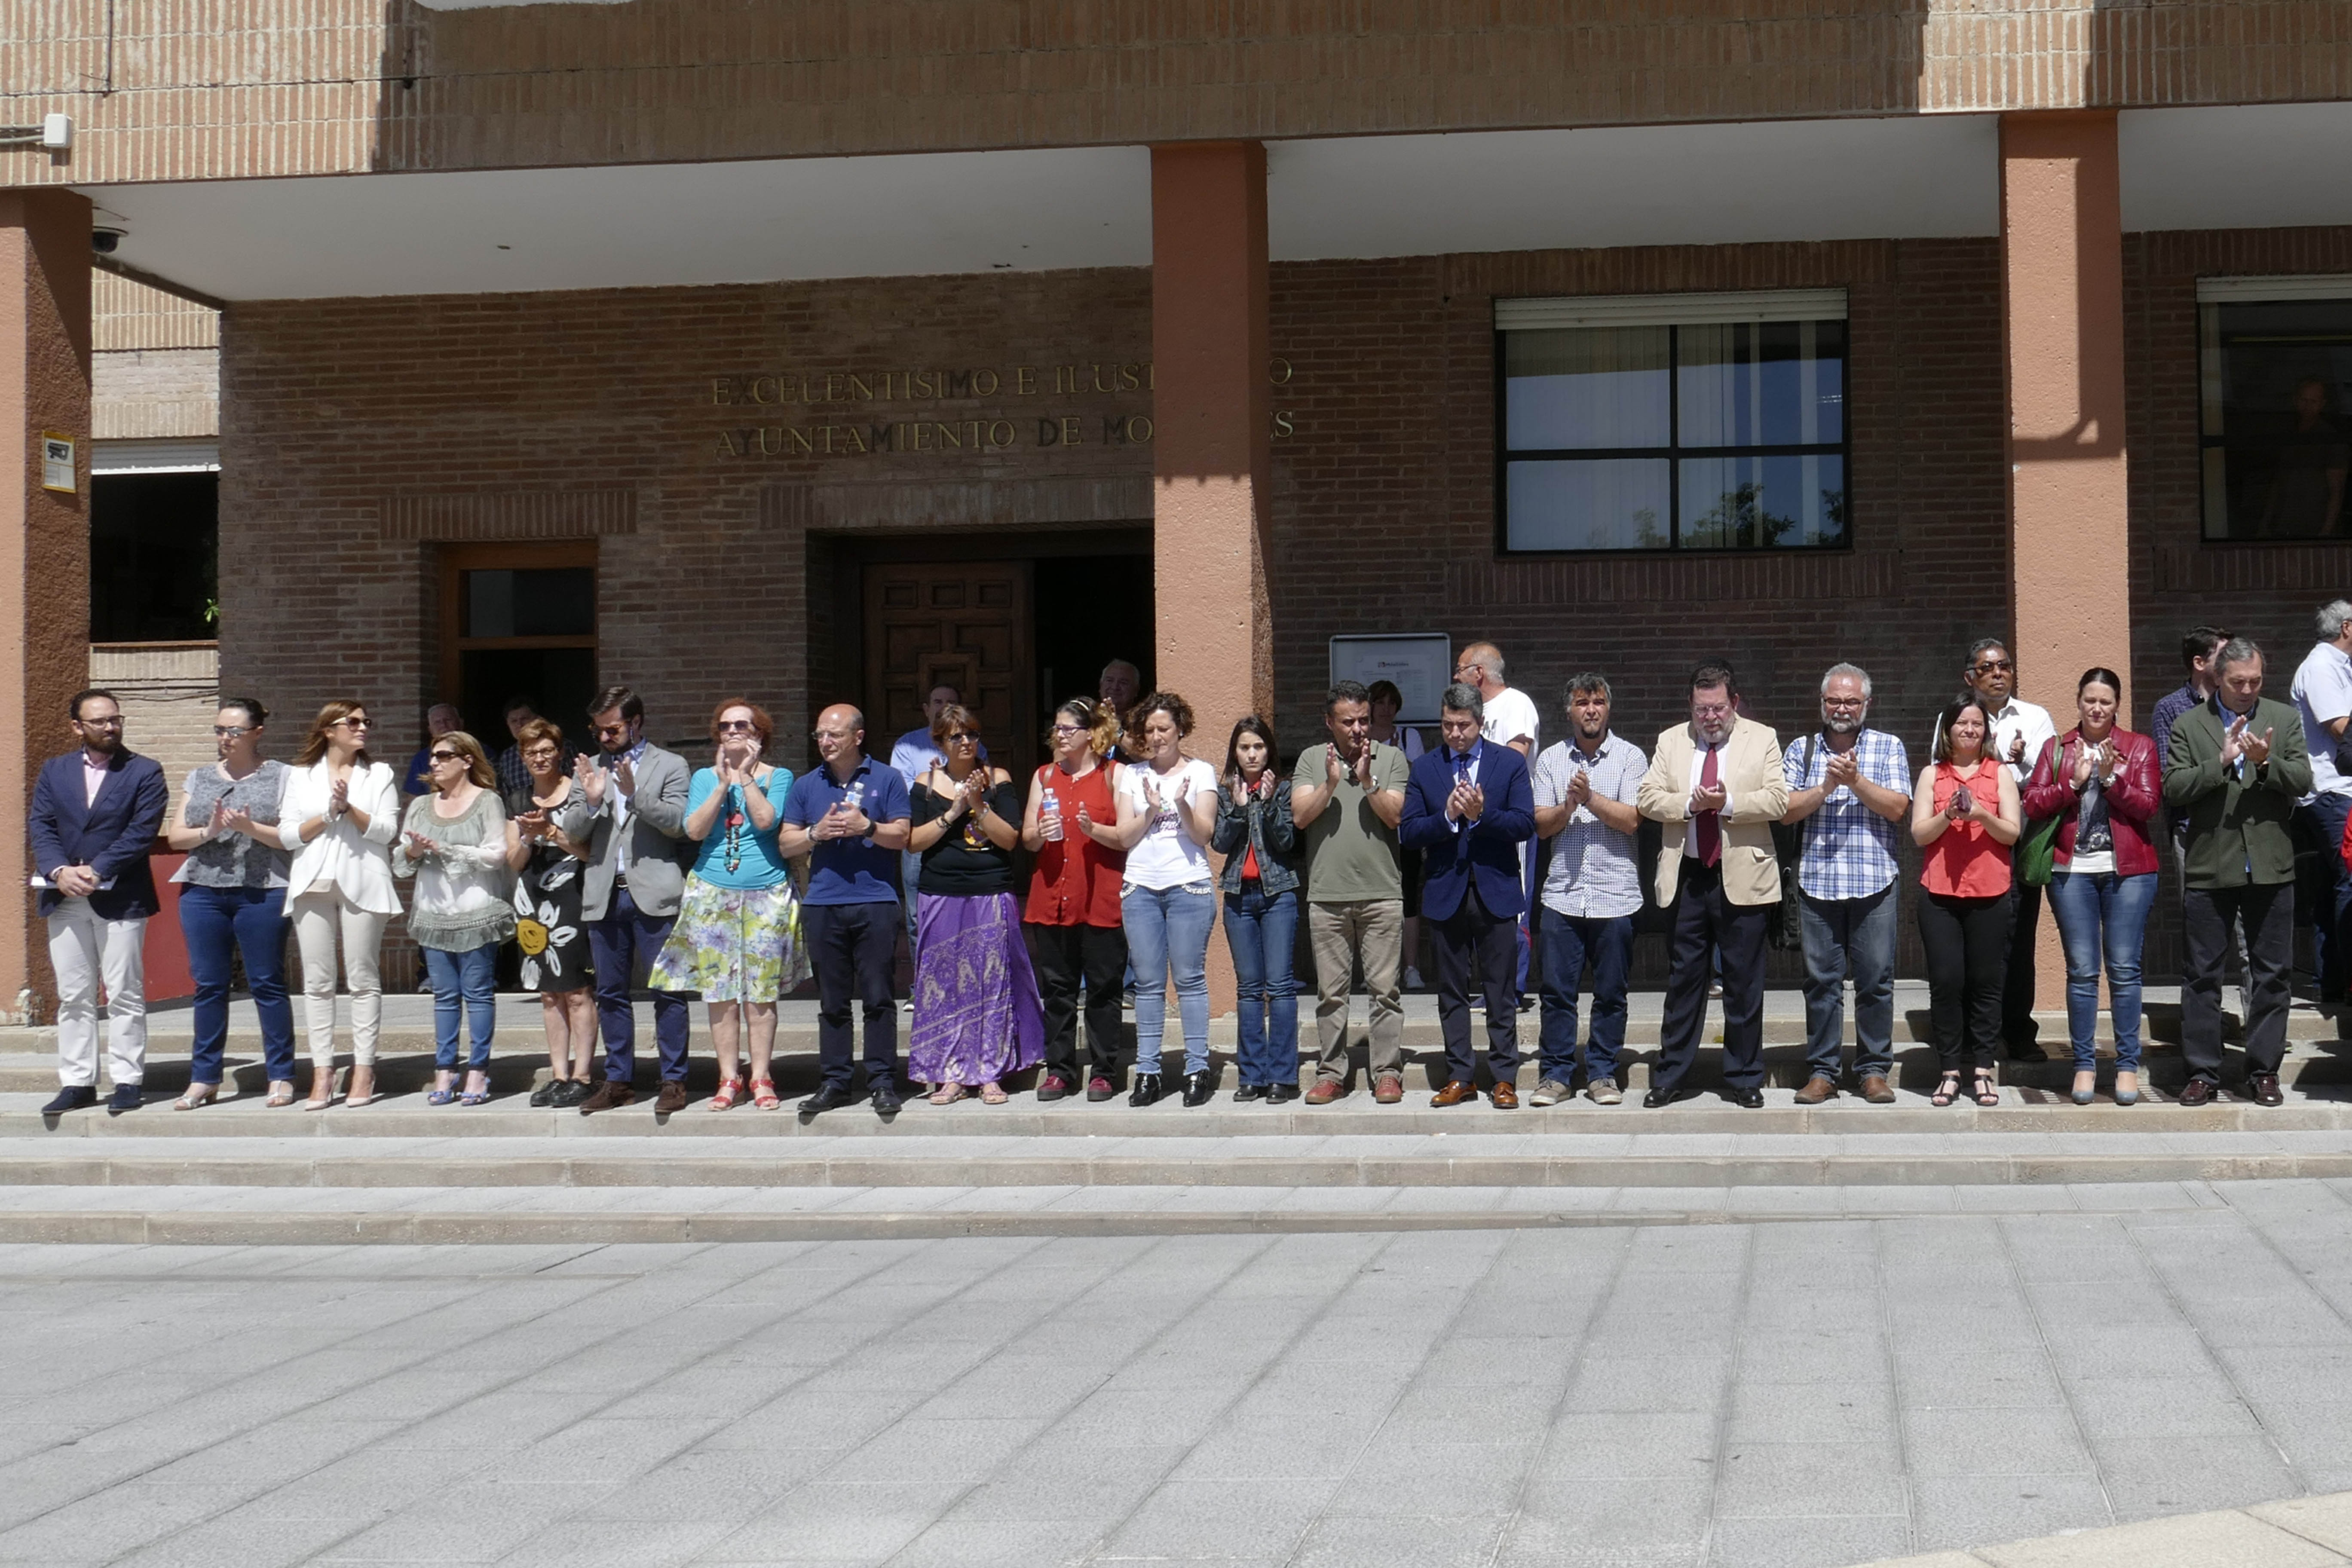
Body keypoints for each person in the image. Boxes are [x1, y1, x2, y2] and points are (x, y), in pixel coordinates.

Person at [1638, 661, 1788, 1109]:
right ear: (1691, 705)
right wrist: (1689, 803)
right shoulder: (1670, 741)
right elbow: (1647, 798)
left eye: (1718, 708)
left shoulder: (1762, 738)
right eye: (1702, 709)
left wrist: (1729, 803)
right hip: (1688, 876)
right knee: (1684, 981)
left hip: (1742, 876)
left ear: (1734, 703)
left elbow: (1778, 799)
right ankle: (1671, 1076)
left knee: (1743, 984)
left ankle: (1745, 1077)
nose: (1710, 717)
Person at [2169, 637, 2310, 1107]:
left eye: (2255, 681)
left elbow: (2303, 780)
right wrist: (2222, 760)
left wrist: (2265, 762)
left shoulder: (2284, 718)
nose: (2248, 690)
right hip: (2211, 865)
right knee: (2202, 976)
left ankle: (2264, 1070)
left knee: (2272, 974)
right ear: (2218, 679)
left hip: (2270, 865)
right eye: (2238, 683)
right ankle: (2202, 1073)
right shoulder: (2190, 724)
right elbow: (2175, 788)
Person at [650, 699, 806, 1112]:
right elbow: (694, 830)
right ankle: (728, 1078)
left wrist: (747, 778)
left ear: (759, 734)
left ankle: (761, 1077)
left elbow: (767, 822)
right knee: (720, 993)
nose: (733, 731)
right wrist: (722, 785)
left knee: (761, 993)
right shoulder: (705, 777)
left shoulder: (779, 776)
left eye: (742, 725)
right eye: (725, 726)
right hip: (712, 893)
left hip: (767, 892)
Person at [2024, 669, 2160, 1106]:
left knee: (2124, 969)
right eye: (2090, 701)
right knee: (2082, 970)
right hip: (2072, 872)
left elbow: (2148, 806)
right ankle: (2084, 1064)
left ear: (2117, 704)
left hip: (2130, 872)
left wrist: (2111, 778)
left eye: (2106, 702)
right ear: (2079, 701)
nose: (2097, 709)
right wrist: (2074, 782)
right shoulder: (2058, 748)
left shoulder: (2139, 747)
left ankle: (2126, 1065)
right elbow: (2033, 803)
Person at [31, 689, 168, 1116]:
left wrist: (97, 870)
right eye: (100, 721)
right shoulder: (55, 770)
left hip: (121, 897)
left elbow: (142, 831)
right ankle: (77, 1082)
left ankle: (127, 1080)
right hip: (65, 896)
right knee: (73, 994)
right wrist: (59, 871)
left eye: (115, 719)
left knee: (124, 991)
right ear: (78, 727)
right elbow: (41, 824)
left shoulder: (144, 771)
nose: (110, 727)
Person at [1779, 665, 1912, 1106]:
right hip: (1818, 884)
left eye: (1851, 701)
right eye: (1834, 701)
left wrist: (1855, 781)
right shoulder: (1801, 750)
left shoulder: (1888, 746)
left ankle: (1874, 1071)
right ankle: (1823, 1072)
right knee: (1822, 984)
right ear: (1822, 703)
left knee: (1876, 982)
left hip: (1875, 882)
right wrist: (1825, 787)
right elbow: (1785, 811)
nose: (1842, 709)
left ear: (1866, 705)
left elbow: (1897, 808)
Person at [1403, 683, 1535, 1106]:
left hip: (1496, 889)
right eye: (1448, 725)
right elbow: (1409, 832)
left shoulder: (1508, 764)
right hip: (1447, 891)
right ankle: (1460, 1075)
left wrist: (1481, 816)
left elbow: (1524, 824)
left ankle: (1504, 1077)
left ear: (1481, 723)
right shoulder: (1426, 768)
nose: (1455, 734)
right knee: (1452, 990)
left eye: (1463, 726)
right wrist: (1447, 816)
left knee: (1500, 990)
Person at [781, 703, 914, 1119]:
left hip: (875, 900)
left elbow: (903, 835)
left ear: (858, 737)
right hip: (823, 903)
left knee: (878, 997)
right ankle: (835, 1082)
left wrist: (868, 827)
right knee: (833, 1002)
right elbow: (786, 843)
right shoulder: (806, 785)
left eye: (834, 735)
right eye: (820, 735)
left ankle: (882, 1082)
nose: (825, 742)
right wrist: (815, 833)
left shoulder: (887, 778)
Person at [163, 698, 296, 1110]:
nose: (225, 738)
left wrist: (249, 827)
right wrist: (210, 829)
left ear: (258, 733)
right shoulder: (200, 776)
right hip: (203, 891)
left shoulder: (283, 776)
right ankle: (204, 1078)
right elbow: (176, 837)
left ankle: (281, 1075)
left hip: (263, 889)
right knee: (209, 985)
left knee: (267, 983)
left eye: (234, 731)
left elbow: (290, 838)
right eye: (220, 730)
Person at [905, 704, 1041, 1103]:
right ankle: (949, 1074)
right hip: (941, 892)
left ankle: (990, 1072)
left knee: (991, 983)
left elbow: (1010, 839)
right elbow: (913, 842)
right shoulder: (926, 783)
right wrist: (954, 812)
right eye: (957, 736)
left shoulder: (998, 779)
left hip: (990, 890)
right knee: (945, 984)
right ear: (940, 742)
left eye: (972, 735)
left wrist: (979, 804)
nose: (966, 742)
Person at [573, 687, 697, 1116]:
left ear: (636, 722)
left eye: (612, 729)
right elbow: (572, 829)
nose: (604, 738)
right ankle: (618, 1081)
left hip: (655, 892)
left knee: (668, 990)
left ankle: (674, 1080)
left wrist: (636, 795)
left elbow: (678, 823)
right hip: (605, 893)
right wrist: (592, 800)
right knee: (610, 992)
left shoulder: (671, 765)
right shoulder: (591, 768)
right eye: (598, 731)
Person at [1931, 640, 2055, 1060]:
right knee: (1971, 937)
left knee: (2018, 937)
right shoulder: (1954, 718)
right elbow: (1943, 771)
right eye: (1987, 668)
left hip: (2018, 835)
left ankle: (2018, 1031)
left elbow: (2047, 776)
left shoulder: (2035, 718)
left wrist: (2013, 764)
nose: (1998, 673)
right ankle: (1970, 1033)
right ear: (1970, 677)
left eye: (2005, 666)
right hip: (1966, 839)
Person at [1528, 674, 1646, 1106]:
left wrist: (1590, 798)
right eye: (1582, 703)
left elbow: (1632, 820)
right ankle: (1555, 1075)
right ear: (1569, 711)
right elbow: (1541, 826)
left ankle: (1602, 1074)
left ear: (1608, 709)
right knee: (1557, 994)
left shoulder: (1631, 757)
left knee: (1611, 994)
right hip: (1564, 895)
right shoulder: (1551, 760)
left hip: (1616, 896)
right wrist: (1568, 806)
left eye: (1598, 702)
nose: (1591, 710)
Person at [279, 700, 401, 1109]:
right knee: (317, 982)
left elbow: (386, 832)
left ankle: (364, 1068)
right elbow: (289, 836)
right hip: (312, 882)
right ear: (329, 730)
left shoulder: (379, 773)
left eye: (367, 721)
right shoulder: (300, 776)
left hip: (364, 880)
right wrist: (329, 814)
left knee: (363, 978)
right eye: (353, 722)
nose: (363, 727)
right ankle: (323, 1070)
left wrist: (350, 809)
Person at [1292, 682, 1411, 1104]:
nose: (1359, 729)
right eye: (1348, 722)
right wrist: (1329, 784)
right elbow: (1300, 817)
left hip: (1381, 894)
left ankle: (1387, 1073)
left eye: (1363, 720)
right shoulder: (1311, 760)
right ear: (1330, 722)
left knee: (1385, 992)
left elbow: (1395, 816)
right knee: (1331, 995)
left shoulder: (1391, 758)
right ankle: (1331, 1074)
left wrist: (1367, 781)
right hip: (1328, 895)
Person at [1104, 692, 1219, 1106]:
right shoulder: (1131, 775)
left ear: (1180, 729)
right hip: (1141, 887)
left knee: (1189, 979)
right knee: (1149, 984)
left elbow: (1203, 835)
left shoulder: (1201, 772)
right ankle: (1148, 1072)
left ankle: (1197, 1068)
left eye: (1164, 728)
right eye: (1150, 730)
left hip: (1188, 886)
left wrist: (1182, 804)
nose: (1157, 737)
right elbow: (1124, 837)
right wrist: (1151, 811)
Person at [392, 730, 515, 1106]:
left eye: (444, 756)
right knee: (444, 997)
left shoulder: (487, 801)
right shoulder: (420, 805)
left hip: (476, 912)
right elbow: (401, 860)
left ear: (467, 760)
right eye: (433, 756)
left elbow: (496, 854)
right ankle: (444, 1070)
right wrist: (415, 851)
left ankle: (478, 1070)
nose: (434, 763)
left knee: (478, 994)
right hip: (434, 914)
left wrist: (446, 849)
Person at [1911, 694, 2023, 1109]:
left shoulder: (2000, 773)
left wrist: (1980, 815)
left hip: (1990, 892)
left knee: (1986, 985)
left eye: (1977, 724)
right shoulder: (1932, 774)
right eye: (1962, 723)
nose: (1970, 730)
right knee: (1946, 983)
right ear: (1948, 730)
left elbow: (2011, 833)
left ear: (1986, 731)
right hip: (1940, 894)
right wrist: (1949, 816)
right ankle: (1949, 1072)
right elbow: (1919, 834)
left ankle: (1983, 1070)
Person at [1021, 698, 1128, 1102]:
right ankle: (1059, 1071)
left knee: (1103, 988)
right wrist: (1039, 831)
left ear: (1091, 733)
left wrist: (1093, 828)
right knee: (1058, 990)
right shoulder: (1045, 775)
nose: (1061, 735)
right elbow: (1028, 839)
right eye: (1058, 728)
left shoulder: (1114, 774)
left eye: (1069, 729)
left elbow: (1126, 836)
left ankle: (1103, 1071)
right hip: (1052, 897)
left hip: (1100, 896)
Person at [503, 717, 599, 1108]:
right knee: (547, 993)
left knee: (576, 991)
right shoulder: (517, 799)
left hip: (572, 896)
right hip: (532, 903)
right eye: (532, 753)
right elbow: (514, 862)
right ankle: (559, 1075)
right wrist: (528, 837)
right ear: (522, 757)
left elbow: (590, 853)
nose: (540, 759)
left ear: (559, 753)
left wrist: (552, 833)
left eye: (546, 751)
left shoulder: (577, 793)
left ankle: (583, 1075)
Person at [1212, 714, 1300, 1102]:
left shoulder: (1283, 789)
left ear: (1269, 751)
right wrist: (1238, 807)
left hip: (1278, 894)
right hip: (1239, 896)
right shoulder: (1225, 792)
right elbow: (1219, 842)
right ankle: (1252, 1075)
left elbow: (1286, 841)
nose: (1252, 754)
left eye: (1259, 747)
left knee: (1279, 987)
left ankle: (1282, 1075)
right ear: (1235, 752)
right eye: (1245, 747)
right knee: (1249, 989)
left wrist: (1264, 804)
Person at [1454, 643, 1540, 1005]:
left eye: (1460, 669)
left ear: (1478, 673)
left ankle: (1511, 989)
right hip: (1474, 820)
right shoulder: (1475, 712)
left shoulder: (1515, 704)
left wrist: (1480, 799)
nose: (1455, 677)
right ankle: (1493, 987)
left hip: (1506, 820)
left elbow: (1514, 759)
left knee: (1513, 904)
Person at [890, 682, 985, 970]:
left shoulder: (975, 745)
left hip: (965, 840)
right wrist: (935, 780)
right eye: (937, 702)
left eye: (951, 702)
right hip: (923, 833)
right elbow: (904, 791)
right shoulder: (907, 746)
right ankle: (922, 979)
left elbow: (983, 784)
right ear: (926, 709)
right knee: (917, 914)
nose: (944, 707)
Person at [2291, 600, 2352, 1005]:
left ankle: (2331, 981)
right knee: (2350, 880)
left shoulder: (2339, 667)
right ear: (2347, 627)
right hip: (2332, 790)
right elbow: (2341, 728)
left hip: (2338, 791)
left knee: (2334, 886)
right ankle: (2346, 981)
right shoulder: (2322, 667)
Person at [1367, 679, 1429, 989]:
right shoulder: (1361, 738)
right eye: (1380, 702)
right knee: (1372, 901)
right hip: (1370, 833)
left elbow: (1419, 776)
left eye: (1391, 703)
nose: (1386, 709)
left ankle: (1411, 968)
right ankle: (1376, 971)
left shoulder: (1408, 736)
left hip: (1404, 833)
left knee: (1408, 899)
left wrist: (1394, 754)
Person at [2260, 378, 2349, 537]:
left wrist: (2325, 534)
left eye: (2314, 402)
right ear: (2295, 400)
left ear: (2323, 404)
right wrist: (2265, 523)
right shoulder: (2287, 435)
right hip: (2282, 523)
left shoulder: (2331, 440)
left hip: (2314, 524)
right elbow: (2278, 483)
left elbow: (2337, 492)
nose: (2308, 406)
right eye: (2304, 400)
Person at [403, 703, 462, 796]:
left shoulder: (480, 752)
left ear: (461, 723)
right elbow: (414, 797)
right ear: (430, 730)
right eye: (437, 722)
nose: (443, 725)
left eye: (448, 720)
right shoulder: (421, 759)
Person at [1099, 659, 1142, 758]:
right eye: (1110, 681)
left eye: (1123, 683)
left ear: (1136, 690)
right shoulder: (1086, 718)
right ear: (1101, 686)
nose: (1115, 687)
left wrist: (1116, 728)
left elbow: (1148, 757)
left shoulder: (1144, 722)